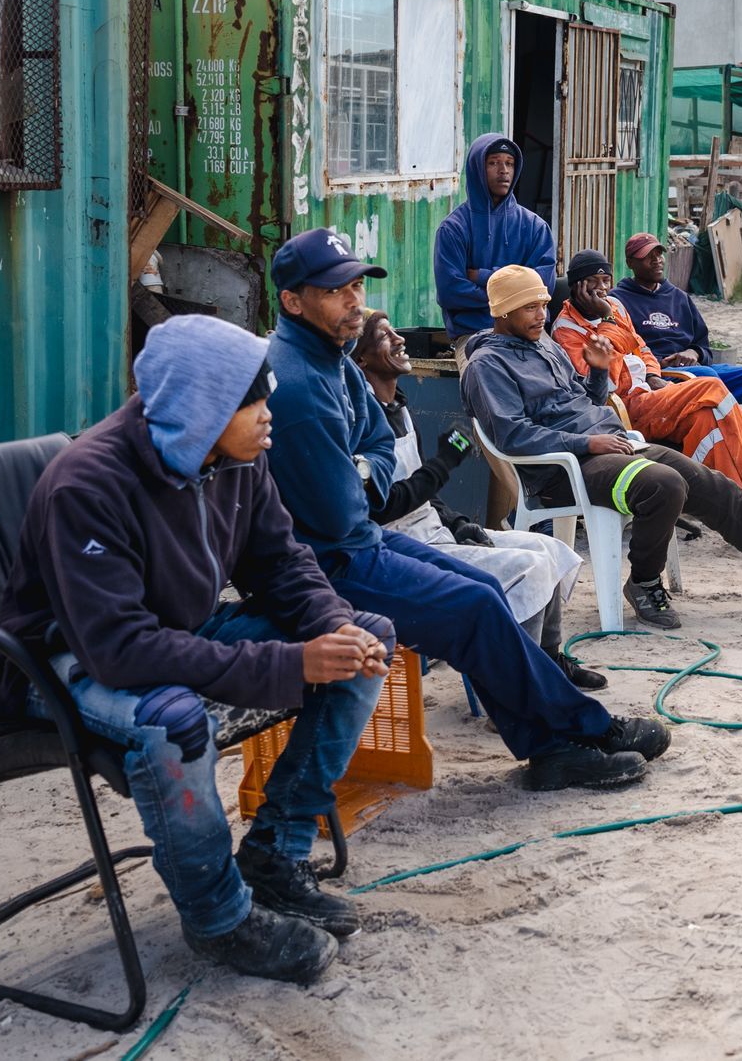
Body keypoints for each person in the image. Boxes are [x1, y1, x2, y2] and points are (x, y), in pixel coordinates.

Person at [0, 315, 394, 984]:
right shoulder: (86, 485)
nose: (272, 413)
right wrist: (293, 663)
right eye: (256, 401)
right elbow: (119, 650)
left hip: (173, 627)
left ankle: (274, 852)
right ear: (202, 407)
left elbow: (281, 562)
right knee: (170, 720)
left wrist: (332, 623)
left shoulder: (233, 455)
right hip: (61, 657)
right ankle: (219, 918)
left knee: (364, 640)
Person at [263, 226, 669, 789]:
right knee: (472, 606)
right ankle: (564, 742)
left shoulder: (331, 359)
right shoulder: (300, 383)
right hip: (324, 561)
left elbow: (378, 450)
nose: (354, 302)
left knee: (482, 595)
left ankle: (569, 736)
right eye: (335, 292)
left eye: (357, 286)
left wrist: (365, 468)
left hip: (360, 537)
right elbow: (344, 510)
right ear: (292, 300)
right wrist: (369, 475)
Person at [462, 263, 742, 630]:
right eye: (530, 308)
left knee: (719, 489)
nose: (541, 315)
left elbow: (585, 403)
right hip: (564, 471)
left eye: (542, 304)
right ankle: (644, 582)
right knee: (664, 485)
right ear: (501, 312)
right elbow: (511, 434)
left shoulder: (544, 346)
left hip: (612, 448)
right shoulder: (487, 365)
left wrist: (595, 372)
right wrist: (586, 440)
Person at [352, 308, 603, 690]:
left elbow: (426, 497)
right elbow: (383, 505)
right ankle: (516, 686)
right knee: (528, 567)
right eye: (385, 337)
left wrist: (457, 522)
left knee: (549, 548)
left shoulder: (400, 408)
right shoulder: (364, 424)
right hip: (400, 549)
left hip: (433, 532)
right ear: (360, 359)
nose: (400, 340)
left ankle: (548, 662)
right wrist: (443, 463)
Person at [609, 231, 742, 516]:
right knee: (708, 377)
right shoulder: (618, 301)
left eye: (659, 253)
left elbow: (703, 344)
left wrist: (694, 353)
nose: (657, 260)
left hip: (697, 366)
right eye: (648, 256)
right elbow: (627, 354)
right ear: (630, 263)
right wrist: (660, 366)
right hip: (662, 375)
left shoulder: (679, 297)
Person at [552, 248, 742, 505]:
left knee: (706, 420)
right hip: (623, 408)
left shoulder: (615, 306)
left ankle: (741, 507)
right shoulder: (567, 330)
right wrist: (607, 318)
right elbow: (605, 384)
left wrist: (653, 375)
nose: (601, 289)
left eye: (606, 281)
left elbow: (641, 348)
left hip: (650, 394)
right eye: (592, 283)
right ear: (577, 287)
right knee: (710, 386)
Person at [433, 133, 555, 528]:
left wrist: (482, 278)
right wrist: (515, 293)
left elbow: (545, 288)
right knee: (491, 417)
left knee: (560, 396)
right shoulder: (453, 229)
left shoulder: (534, 227)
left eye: (509, 164)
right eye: (493, 163)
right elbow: (451, 291)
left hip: (529, 333)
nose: (503, 171)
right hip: (472, 335)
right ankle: (530, 511)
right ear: (476, 168)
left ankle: (561, 491)